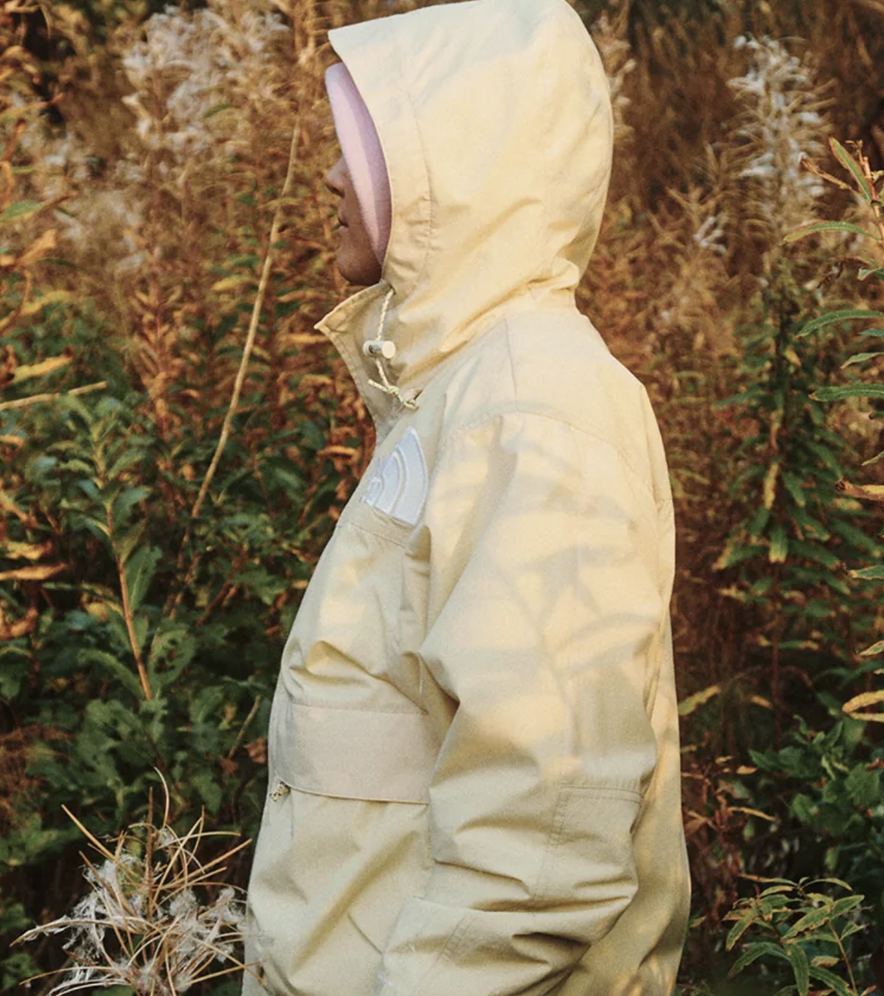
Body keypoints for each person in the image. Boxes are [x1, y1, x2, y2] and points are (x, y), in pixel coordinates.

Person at [241, 0, 689, 993]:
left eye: (366, 149)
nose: (330, 177)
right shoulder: (460, 397)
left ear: (459, 173)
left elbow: (543, 845)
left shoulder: (533, 410)